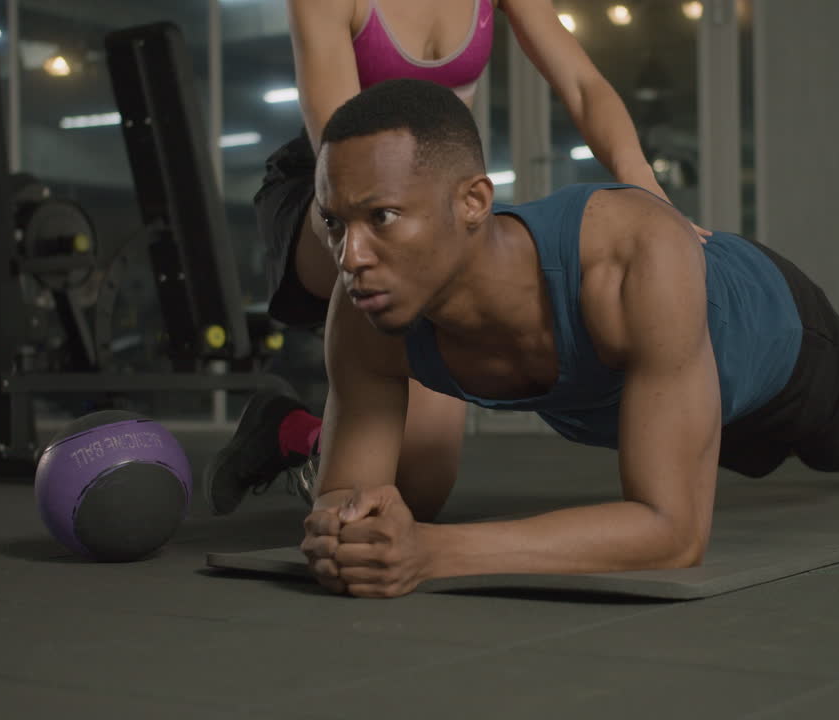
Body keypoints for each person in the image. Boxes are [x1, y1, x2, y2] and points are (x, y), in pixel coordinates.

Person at [297, 78, 839, 598]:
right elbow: (344, 497)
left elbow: (673, 533)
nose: (350, 255)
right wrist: (349, 527)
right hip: (667, 397)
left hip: (772, 337)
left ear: (474, 202)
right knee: (749, 453)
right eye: (334, 223)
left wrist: (434, 552)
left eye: (382, 217)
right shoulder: (365, 313)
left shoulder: (630, 257)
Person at [205, 0, 705, 516]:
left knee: (417, 491)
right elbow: (343, 155)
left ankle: (288, 430)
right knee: (380, 225)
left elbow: (581, 84)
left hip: (427, 209)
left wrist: (646, 191)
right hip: (330, 191)